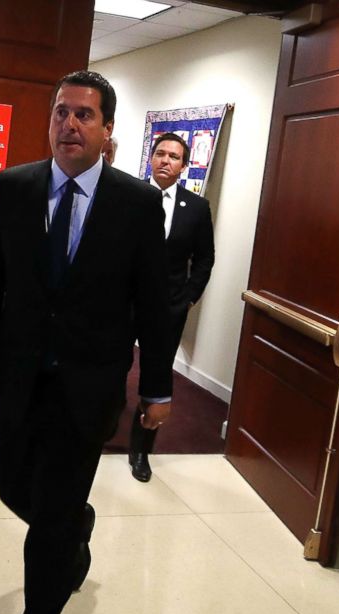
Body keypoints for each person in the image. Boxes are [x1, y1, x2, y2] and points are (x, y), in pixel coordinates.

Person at [0, 70, 172, 614]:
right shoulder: (16, 186)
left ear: (108, 131)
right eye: (60, 113)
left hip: (87, 388)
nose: (69, 125)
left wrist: (156, 389)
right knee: (11, 484)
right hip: (20, 379)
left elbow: (154, 304)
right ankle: (76, 527)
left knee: (45, 530)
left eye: (84, 115)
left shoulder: (137, 204)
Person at [128, 132, 215, 482]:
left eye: (174, 157)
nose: (166, 160)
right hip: (124, 302)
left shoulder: (196, 208)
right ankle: (99, 425)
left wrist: (189, 297)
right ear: (151, 158)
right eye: (160, 154)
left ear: (184, 165)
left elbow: (205, 260)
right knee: (111, 364)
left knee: (157, 375)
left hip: (168, 308)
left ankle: (141, 450)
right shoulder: (127, 196)